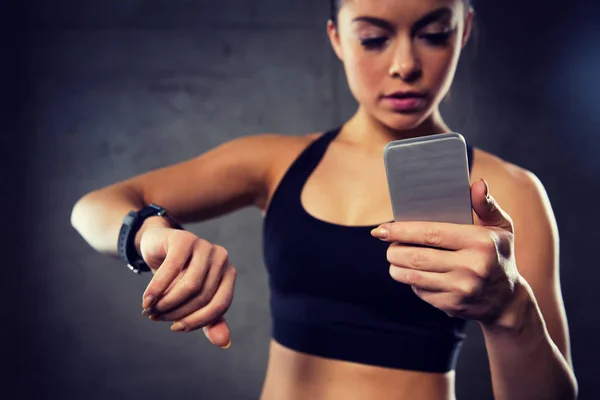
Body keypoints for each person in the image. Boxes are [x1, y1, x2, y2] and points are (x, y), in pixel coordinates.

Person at [70, 0, 578, 399]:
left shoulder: (507, 192)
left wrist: (510, 311)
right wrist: (148, 233)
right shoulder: (275, 161)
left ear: (464, 30)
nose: (404, 64)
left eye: (433, 34)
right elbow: (94, 207)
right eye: (374, 38)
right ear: (337, 36)